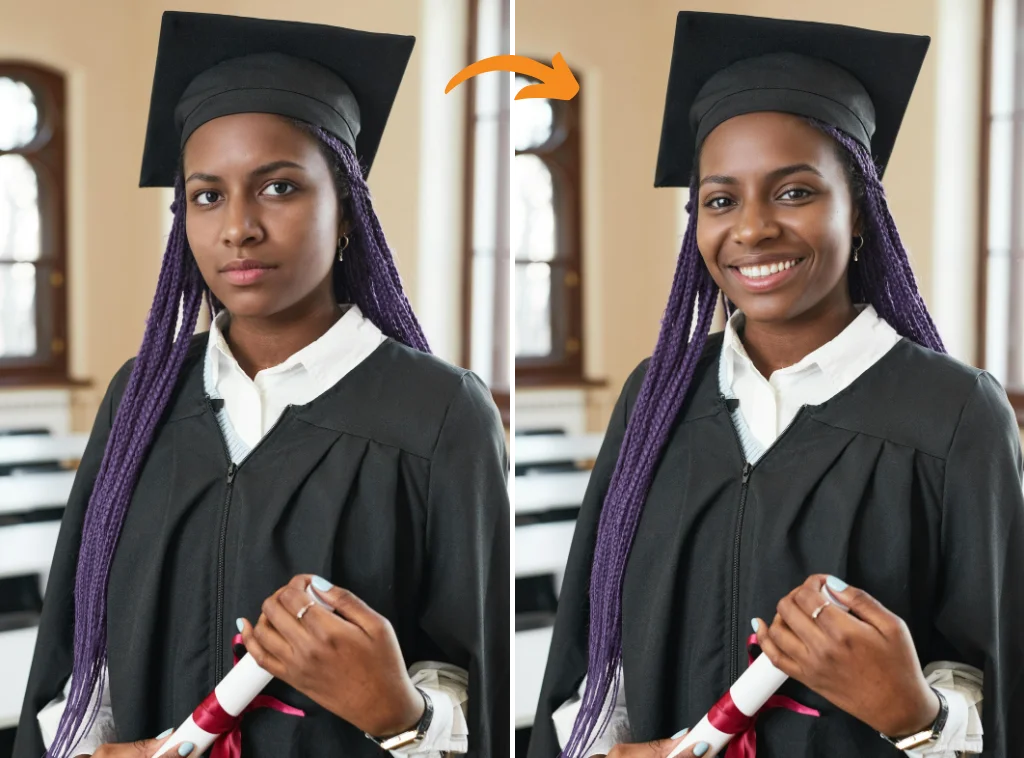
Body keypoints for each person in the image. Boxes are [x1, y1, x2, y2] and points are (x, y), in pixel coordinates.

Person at [14, 11, 509, 758]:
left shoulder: (438, 413)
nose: (237, 227)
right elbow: (81, 643)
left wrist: (401, 714)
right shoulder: (144, 399)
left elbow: (475, 674)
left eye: (279, 188)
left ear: (346, 211)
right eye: (207, 196)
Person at [528, 11, 1023, 758]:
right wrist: (608, 749)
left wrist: (914, 712)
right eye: (720, 201)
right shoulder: (658, 399)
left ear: (860, 211)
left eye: (794, 193)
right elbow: (597, 644)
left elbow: (990, 677)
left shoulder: (953, 415)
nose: (752, 230)